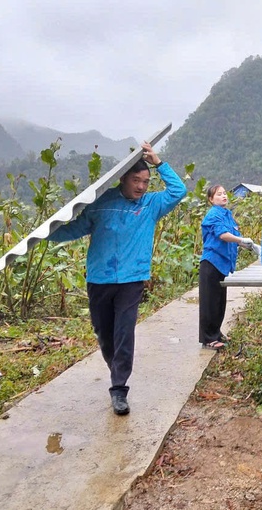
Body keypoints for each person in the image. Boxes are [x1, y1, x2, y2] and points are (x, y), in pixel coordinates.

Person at [47, 142, 187, 416]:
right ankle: (116, 370)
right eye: (136, 180)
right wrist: (45, 235)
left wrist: (159, 163)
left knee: (124, 331)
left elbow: (178, 191)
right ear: (123, 178)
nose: (142, 186)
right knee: (104, 332)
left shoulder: (151, 204)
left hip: (132, 280)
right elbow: (76, 228)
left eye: (146, 181)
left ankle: (119, 388)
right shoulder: (102, 202)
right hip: (100, 278)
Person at [199, 184, 254, 350]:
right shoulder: (213, 215)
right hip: (212, 262)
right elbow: (222, 235)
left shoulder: (227, 214)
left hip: (222, 264)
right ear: (211, 199)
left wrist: (249, 244)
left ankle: (216, 332)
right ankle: (208, 338)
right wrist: (241, 241)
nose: (223, 196)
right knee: (209, 302)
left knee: (219, 301)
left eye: (224, 193)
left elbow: (235, 235)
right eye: (218, 194)